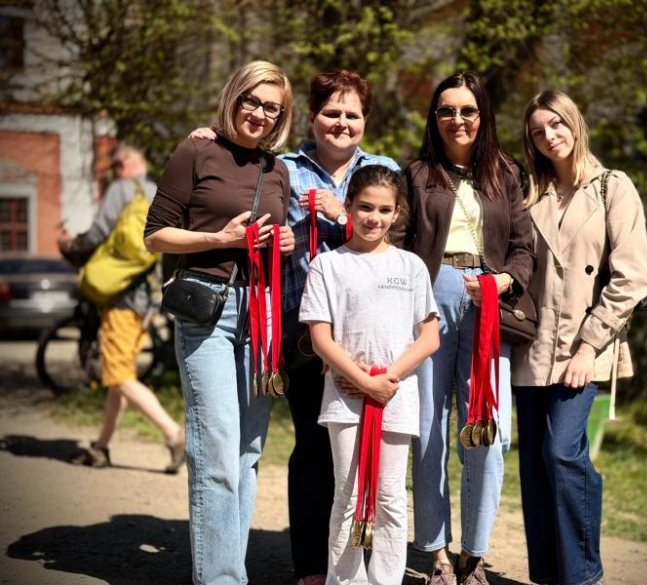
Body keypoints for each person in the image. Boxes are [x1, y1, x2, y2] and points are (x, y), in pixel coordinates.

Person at [189, 69, 400, 585]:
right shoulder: (283, 168)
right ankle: (311, 567)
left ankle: (364, 560)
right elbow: (242, 165)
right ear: (312, 117)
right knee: (312, 447)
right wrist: (210, 137)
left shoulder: (384, 169)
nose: (341, 123)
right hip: (304, 335)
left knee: (365, 450)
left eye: (352, 115)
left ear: (365, 122)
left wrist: (344, 219)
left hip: (369, 335)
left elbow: (404, 237)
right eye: (331, 113)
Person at [143, 60, 295, 585]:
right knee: (216, 447)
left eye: (270, 107)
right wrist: (218, 240)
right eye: (251, 100)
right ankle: (222, 580)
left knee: (247, 452)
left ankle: (228, 568)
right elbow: (156, 236)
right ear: (234, 96)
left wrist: (285, 241)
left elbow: (275, 232)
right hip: (209, 311)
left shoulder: (278, 170)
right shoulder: (196, 149)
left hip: (264, 315)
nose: (258, 113)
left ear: (281, 116)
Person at [393, 71, 534, 585]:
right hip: (430, 295)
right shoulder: (415, 172)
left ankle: (475, 552)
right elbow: (398, 237)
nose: (458, 119)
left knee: (488, 435)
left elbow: (523, 247)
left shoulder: (506, 173)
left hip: (489, 302)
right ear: (435, 117)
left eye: (468, 110)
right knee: (428, 430)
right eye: (447, 110)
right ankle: (435, 552)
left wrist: (502, 282)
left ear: (483, 116)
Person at [512, 90, 647, 585]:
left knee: (563, 454)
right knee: (534, 465)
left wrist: (590, 346)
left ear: (574, 123)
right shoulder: (530, 194)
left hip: (584, 350)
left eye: (556, 124)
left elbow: (633, 276)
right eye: (537, 131)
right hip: (531, 350)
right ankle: (549, 575)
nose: (549, 136)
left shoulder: (613, 187)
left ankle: (583, 574)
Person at [299, 165, 440, 584]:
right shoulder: (328, 266)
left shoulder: (411, 266)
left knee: (391, 497)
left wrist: (385, 380)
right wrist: (361, 381)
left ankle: (386, 579)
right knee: (347, 494)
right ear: (348, 207)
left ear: (396, 214)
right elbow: (321, 339)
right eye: (364, 208)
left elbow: (428, 337)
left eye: (383, 210)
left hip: (396, 395)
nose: (373, 218)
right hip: (344, 399)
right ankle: (346, 580)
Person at [59, 143, 184, 474]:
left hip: (120, 296)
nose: (115, 171)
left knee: (117, 375)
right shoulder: (157, 191)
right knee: (120, 374)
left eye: (117, 164)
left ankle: (174, 435)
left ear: (129, 161)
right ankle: (101, 447)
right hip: (145, 295)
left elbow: (97, 233)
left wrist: (71, 244)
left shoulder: (122, 189)